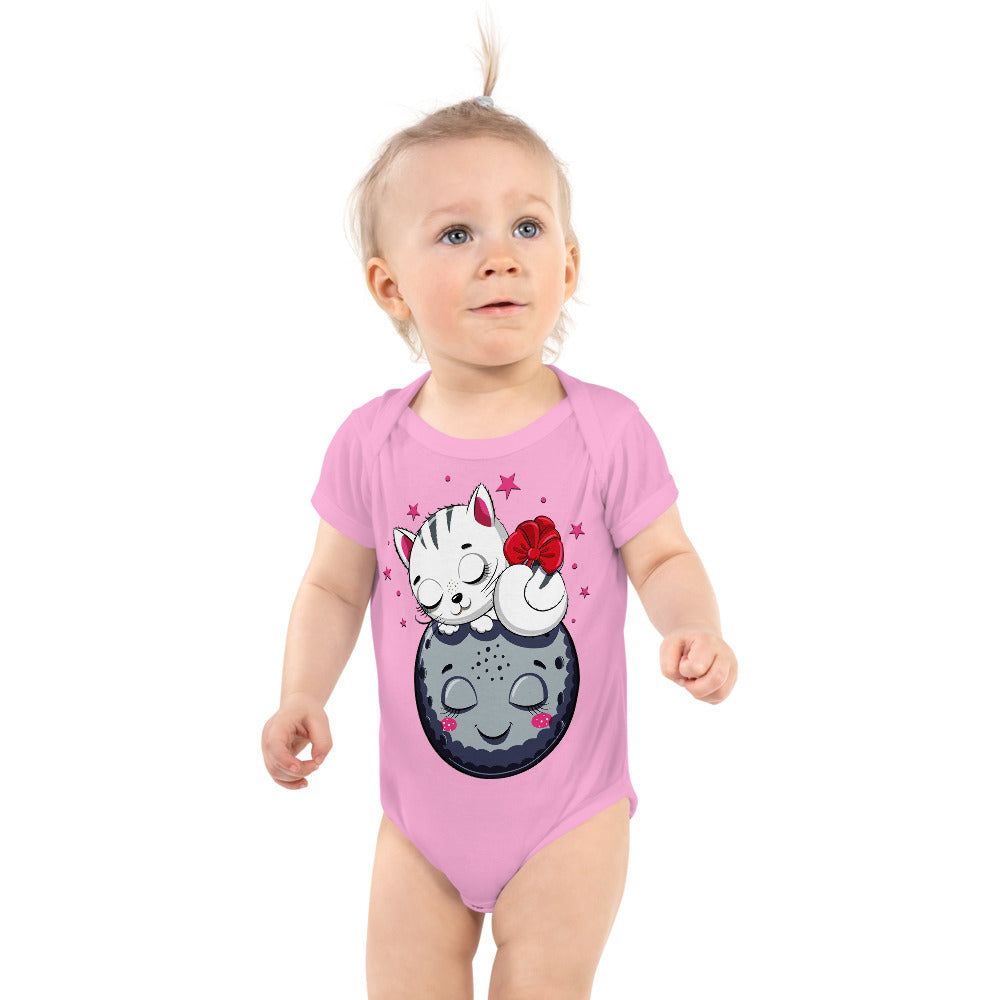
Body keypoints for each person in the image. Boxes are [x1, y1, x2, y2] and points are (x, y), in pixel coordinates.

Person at [261, 21, 737, 1000]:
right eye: (455, 234)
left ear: (568, 265)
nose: (500, 258)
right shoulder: (369, 443)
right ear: (389, 287)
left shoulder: (606, 430)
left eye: (527, 227)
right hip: (418, 825)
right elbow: (331, 586)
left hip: (569, 815)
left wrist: (692, 625)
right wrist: (302, 690)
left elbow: (663, 556)